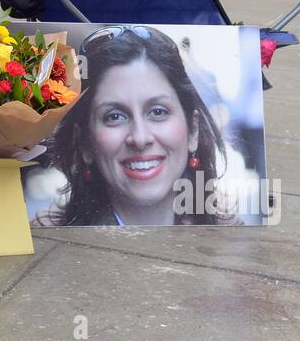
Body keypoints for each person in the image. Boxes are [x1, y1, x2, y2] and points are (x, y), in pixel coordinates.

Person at [34, 26, 230, 226]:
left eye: (158, 112)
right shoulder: (46, 243)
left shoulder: (232, 242)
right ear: (84, 142)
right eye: (115, 116)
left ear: (193, 131)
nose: (140, 138)